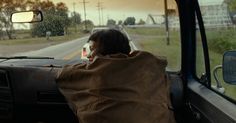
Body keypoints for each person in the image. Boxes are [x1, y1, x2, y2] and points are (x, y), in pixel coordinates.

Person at [56, 29, 176, 123]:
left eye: (92, 49)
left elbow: (63, 75)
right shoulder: (150, 67)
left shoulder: (97, 71)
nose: (88, 56)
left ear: (104, 53)